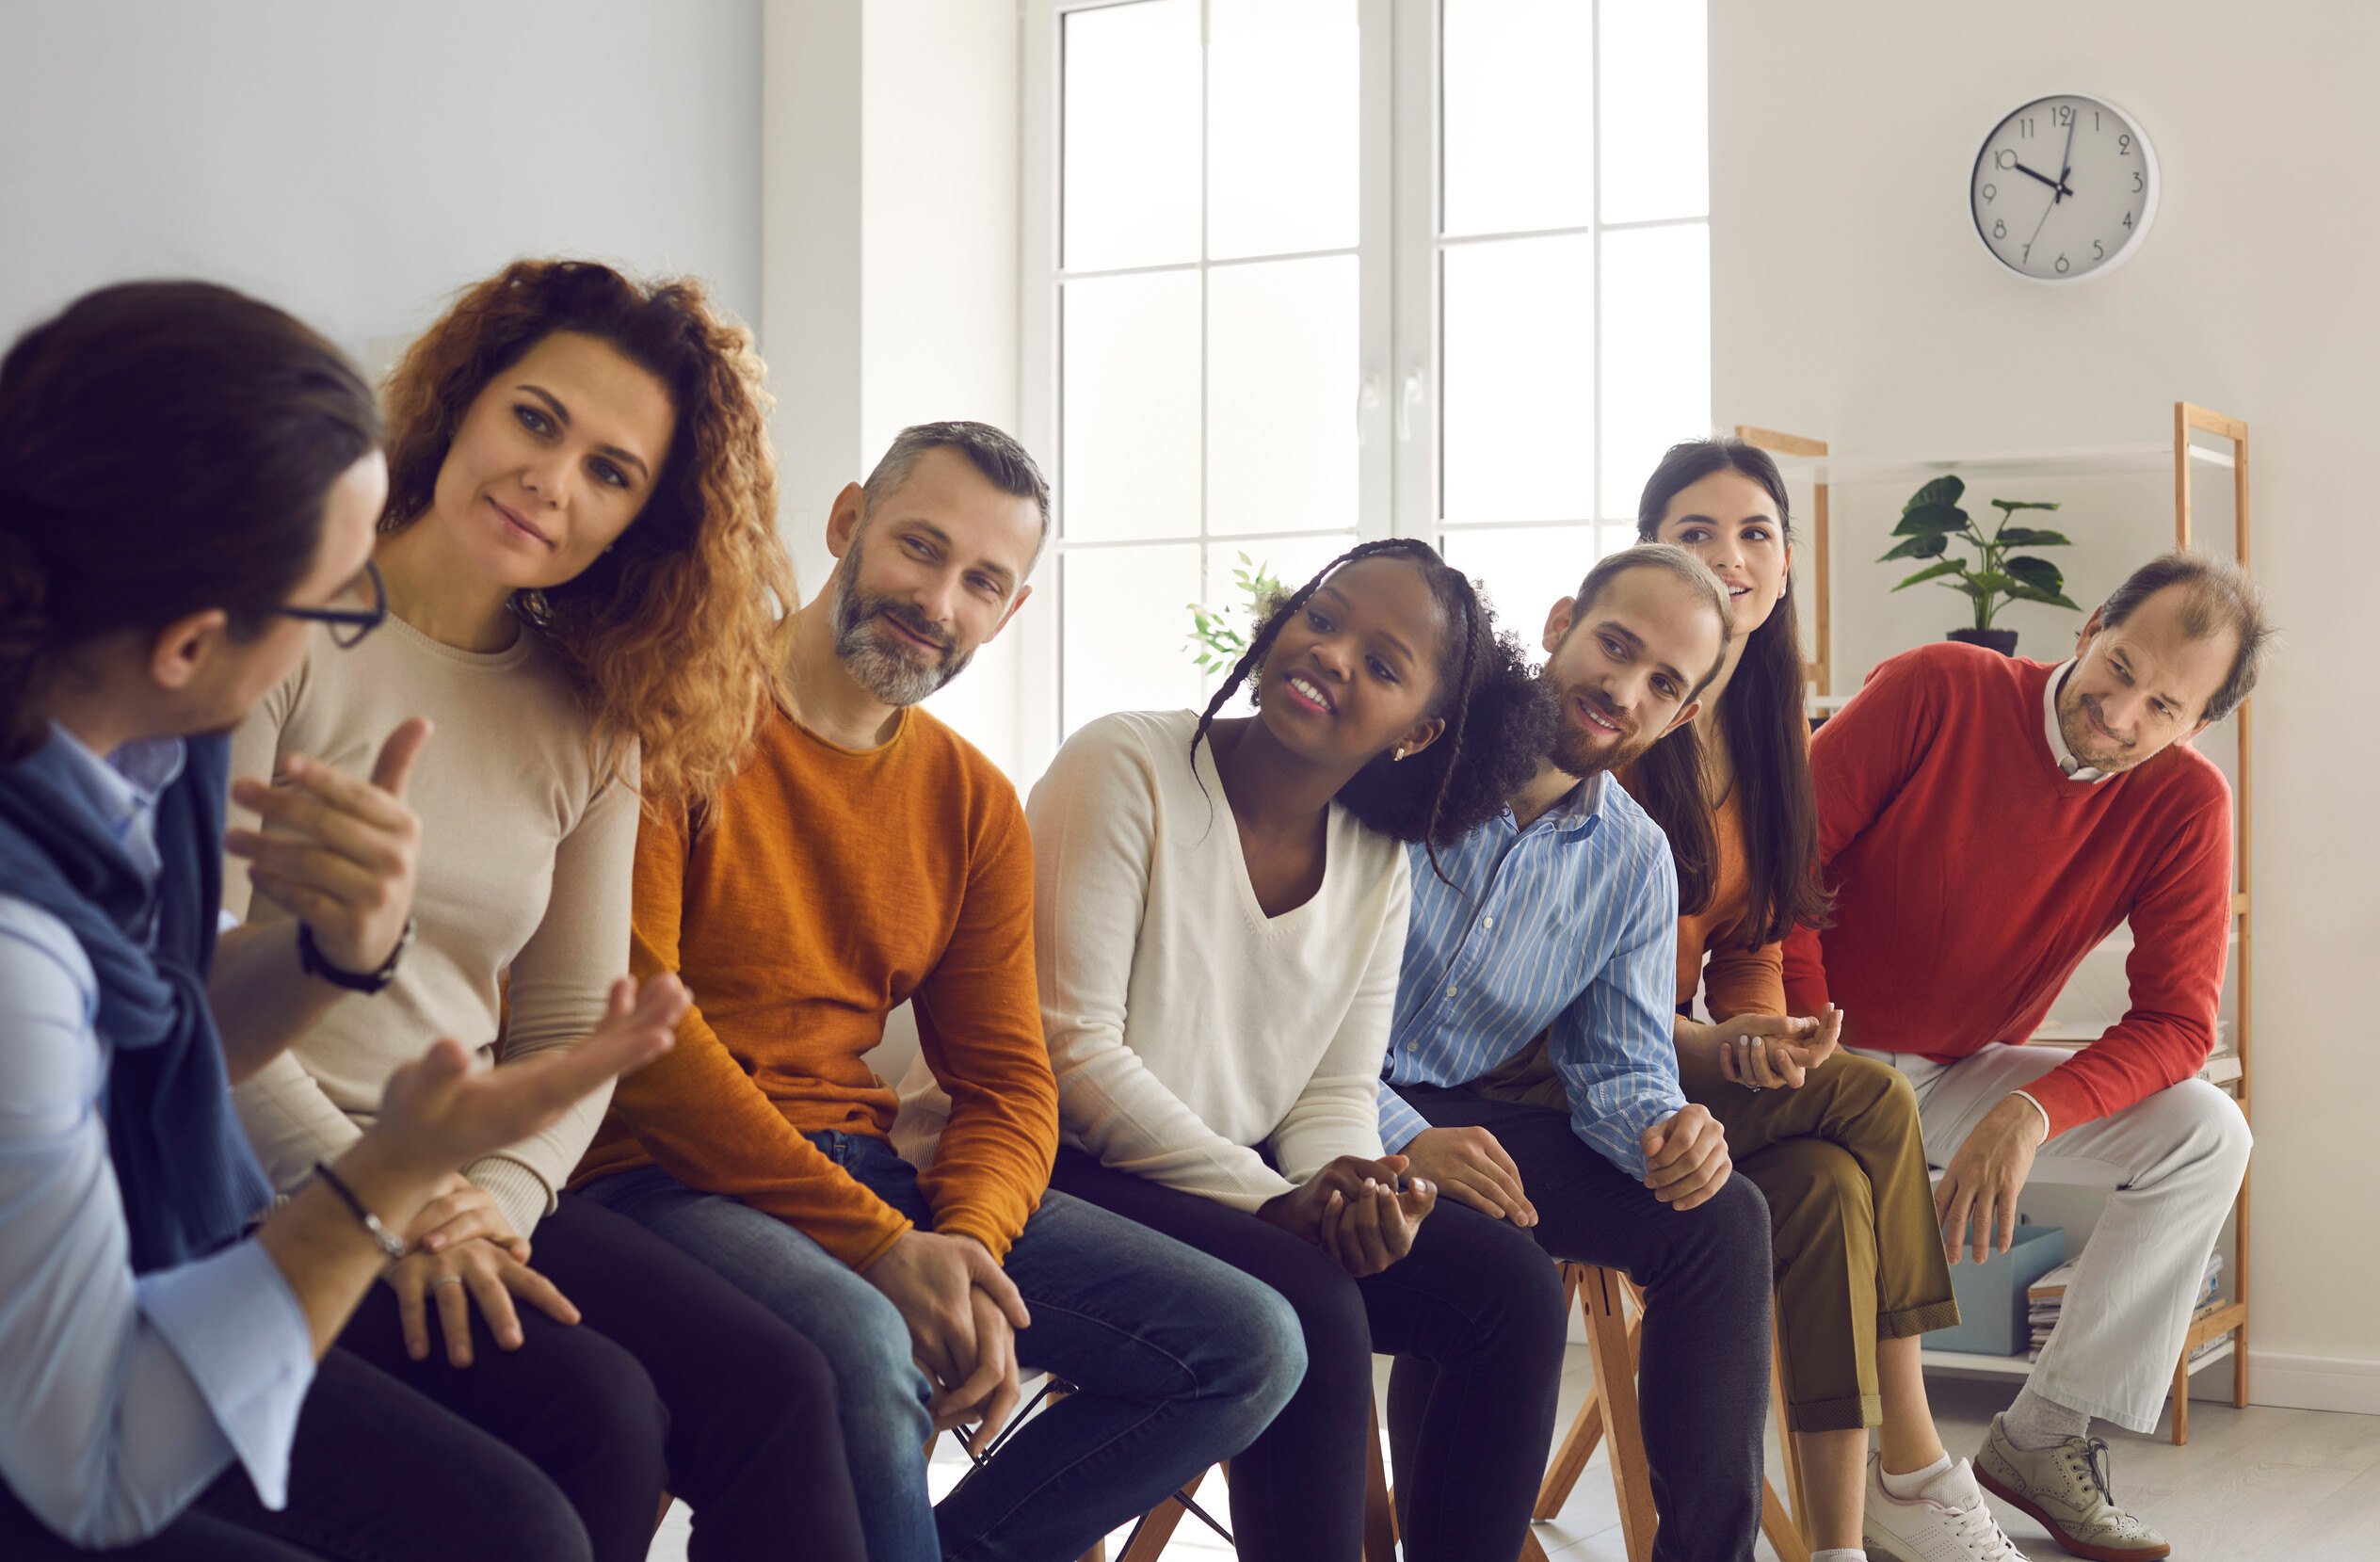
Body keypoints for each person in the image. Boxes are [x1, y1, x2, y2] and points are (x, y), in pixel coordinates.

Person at [0, 279, 681, 1560]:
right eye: (332, 604)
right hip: (86, 1416)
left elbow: (171, 1015)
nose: (355, 628)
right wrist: (386, 1177)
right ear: (194, 642)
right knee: (515, 1527)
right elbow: (96, 1466)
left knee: (569, 1458)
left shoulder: (121, 760)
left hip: (174, 1265)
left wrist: (331, 952)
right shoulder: (23, 949)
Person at [572, 421, 1306, 1562]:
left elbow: (1010, 1082)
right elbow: (642, 1044)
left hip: (871, 1176)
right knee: (869, 1342)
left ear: (1008, 614)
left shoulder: (968, 799)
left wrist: (961, 1242)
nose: (939, 602)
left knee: (1250, 1343)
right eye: (920, 547)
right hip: (654, 1180)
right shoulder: (674, 722)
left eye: (982, 583)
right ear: (846, 520)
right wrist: (881, 1249)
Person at [224, 260, 864, 1562]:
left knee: (787, 1383)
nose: (552, 481)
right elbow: (183, 978)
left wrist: (495, 1199)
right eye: (535, 419)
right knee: (604, 1415)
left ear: (642, 520)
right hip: (264, 1167)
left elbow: (576, 1013)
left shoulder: (589, 708)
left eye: (610, 472)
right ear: (460, 402)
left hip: (464, 1170)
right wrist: (392, 1199)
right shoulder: (279, 626)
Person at [940, 540, 1564, 1560]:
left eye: (1382, 661)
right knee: (1305, 1293)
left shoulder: (1377, 866)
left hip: (1222, 1191)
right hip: (1039, 1160)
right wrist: (1275, 1205)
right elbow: (1071, 1053)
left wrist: (1352, 1192)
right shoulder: (1125, 764)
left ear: (1421, 734)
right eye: (1322, 617)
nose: (1329, 654)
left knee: (1510, 1290)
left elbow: (1331, 1092)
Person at [1482, 440, 2025, 1562]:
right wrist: (1720, 1051)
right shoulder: (1617, 717)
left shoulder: (1771, 730)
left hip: (1660, 1054)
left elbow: (1750, 946)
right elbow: (1587, 1005)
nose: (1728, 557)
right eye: (1693, 533)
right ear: (1642, 557)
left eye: (1753, 534)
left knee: (1825, 1187)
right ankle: (1916, 1456)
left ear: (1783, 564)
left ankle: (1833, 1542)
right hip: (1563, 1061)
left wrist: (1762, 1037)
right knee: (1874, 1106)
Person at [1785, 549, 2273, 1562]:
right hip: (1808, 1052)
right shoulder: (1939, 687)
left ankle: (2044, 1435)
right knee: (1862, 1123)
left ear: (2199, 723)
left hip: (1954, 1070)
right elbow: (1782, 864)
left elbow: (2178, 1025)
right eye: (2121, 667)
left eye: (2163, 706)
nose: (2122, 712)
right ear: (2092, 623)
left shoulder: (2185, 804)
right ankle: (1905, 1478)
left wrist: (2032, 1108)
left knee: (2205, 1133)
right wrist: (1802, 1040)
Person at [1372, 541, 1777, 1562]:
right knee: (1495, 1258)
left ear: (1679, 718)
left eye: (1661, 684)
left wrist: (1669, 1130)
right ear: (1558, 626)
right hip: (1302, 1105)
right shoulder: (1408, 758)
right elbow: (1277, 1016)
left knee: (1720, 1217)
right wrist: (1408, 1136)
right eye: (1614, 645)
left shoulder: (1634, 861)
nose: (1621, 689)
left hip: (1468, 1115)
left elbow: (1617, 1064)